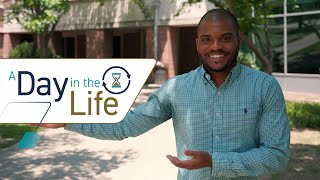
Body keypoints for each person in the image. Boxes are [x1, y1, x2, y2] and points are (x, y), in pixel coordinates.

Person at [36, 9, 290, 179]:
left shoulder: (264, 87)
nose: (215, 47)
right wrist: (68, 120)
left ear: (238, 40)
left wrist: (214, 161)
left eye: (225, 38)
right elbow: (126, 125)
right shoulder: (176, 88)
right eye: (207, 39)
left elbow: (277, 156)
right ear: (197, 43)